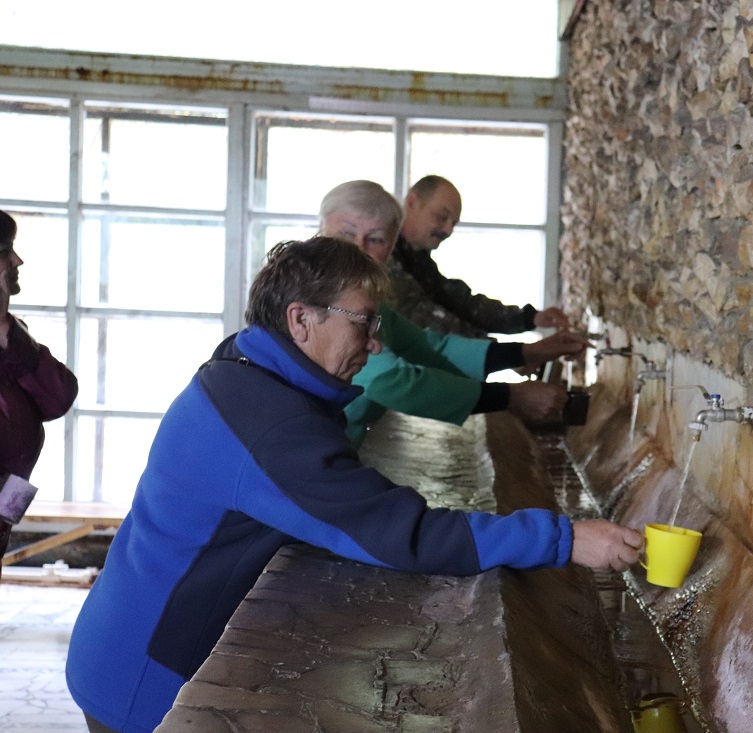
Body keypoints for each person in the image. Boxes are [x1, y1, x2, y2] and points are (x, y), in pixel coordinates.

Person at [65, 237, 642, 733]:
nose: (374, 344)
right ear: (301, 320)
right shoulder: (268, 422)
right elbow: (399, 533)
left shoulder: (244, 368)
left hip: (123, 631)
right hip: (145, 672)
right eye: (363, 322)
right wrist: (564, 539)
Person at [318, 180, 584, 443]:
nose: (359, 249)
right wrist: (511, 396)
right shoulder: (321, 301)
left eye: (375, 239)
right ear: (321, 231)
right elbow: (394, 382)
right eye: (346, 234)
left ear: (391, 246)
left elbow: (429, 346)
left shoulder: (366, 300)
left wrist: (527, 352)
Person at [388, 174, 571, 337]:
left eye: (454, 223)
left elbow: (462, 304)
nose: (448, 230)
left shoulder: (419, 260)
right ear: (412, 202)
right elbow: (421, 316)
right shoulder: (384, 255)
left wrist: (530, 318)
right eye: (442, 217)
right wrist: (503, 353)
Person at [0, 210, 78, 581]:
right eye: (5, 251)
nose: (17, 261)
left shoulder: (11, 335)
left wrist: (6, 331)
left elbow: (58, 398)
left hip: (5, 510)